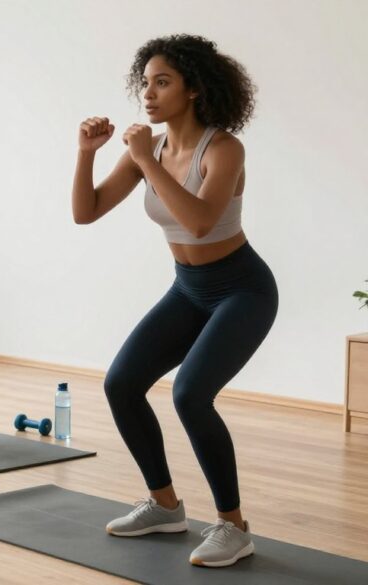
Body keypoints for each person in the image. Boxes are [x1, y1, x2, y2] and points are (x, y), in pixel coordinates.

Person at [71, 34, 276, 567]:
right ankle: (165, 506)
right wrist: (86, 154)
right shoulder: (152, 151)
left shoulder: (224, 147)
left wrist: (144, 158)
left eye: (162, 82)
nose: (149, 93)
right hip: (188, 288)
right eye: (145, 82)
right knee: (121, 384)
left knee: (190, 395)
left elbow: (201, 220)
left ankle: (233, 527)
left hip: (243, 289)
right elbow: (86, 211)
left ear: (193, 89)